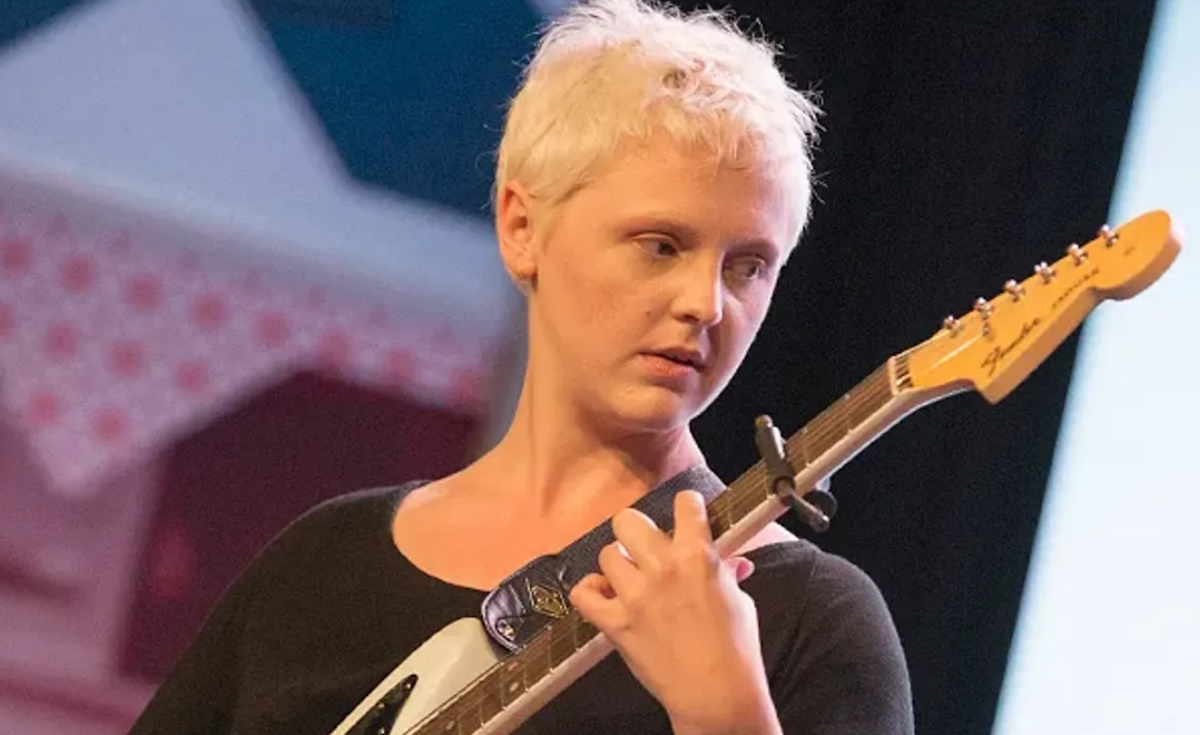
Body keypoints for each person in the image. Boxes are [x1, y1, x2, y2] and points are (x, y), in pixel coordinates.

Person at [127, 1, 913, 733]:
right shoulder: (325, 563)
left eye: (748, 265)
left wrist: (728, 714)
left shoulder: (806, 620)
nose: (707, 304)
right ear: (521, 225)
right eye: (661, 245)